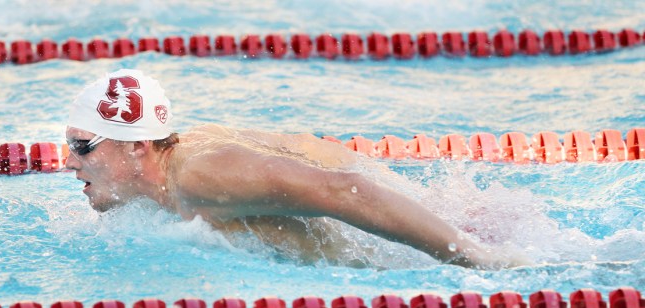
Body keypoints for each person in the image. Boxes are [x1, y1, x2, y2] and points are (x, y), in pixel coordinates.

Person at [65, 69, 526, 269]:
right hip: (431, 224)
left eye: (83, 147)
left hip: (406, 261)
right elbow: (302, 147)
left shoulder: (200, 176)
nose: (69, 162)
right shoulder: (187, 150)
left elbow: (343, 189)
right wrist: (430, 204)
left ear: (137, 147)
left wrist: (467, 255)